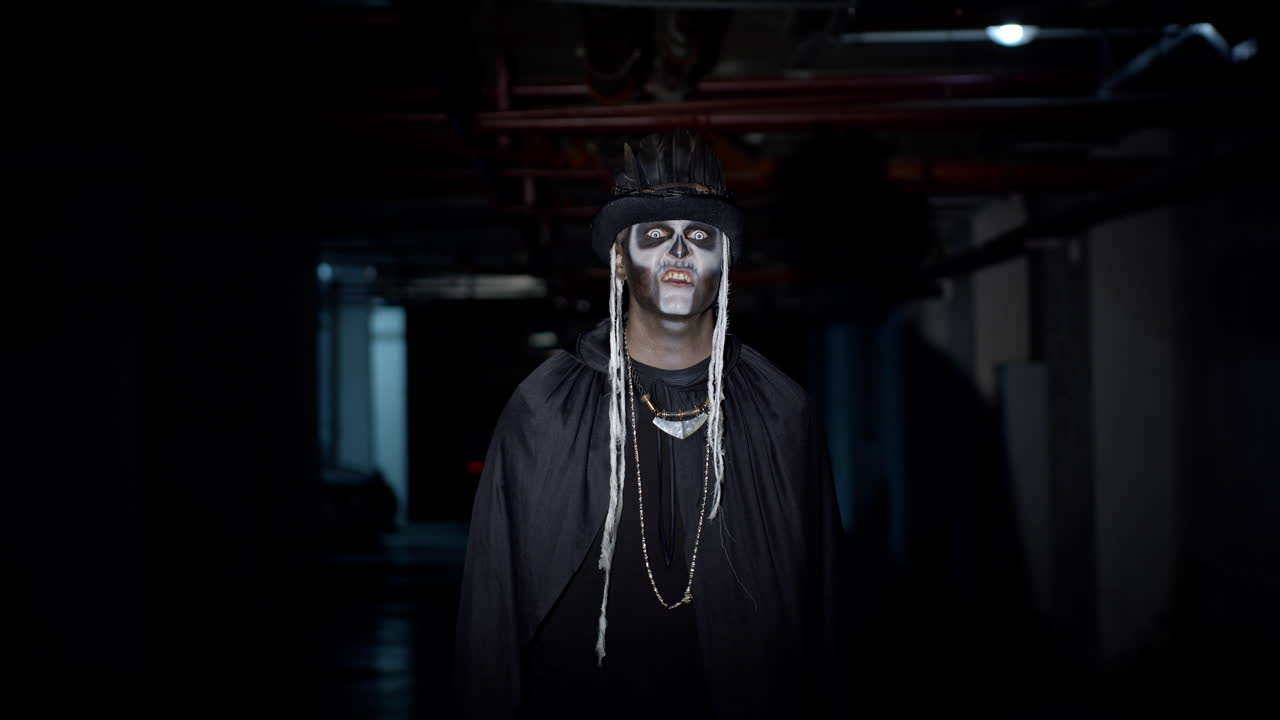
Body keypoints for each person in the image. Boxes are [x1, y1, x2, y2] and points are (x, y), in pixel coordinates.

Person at [452, 129, 845, 719]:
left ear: (726, 259)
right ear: (618, 257)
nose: (680, 253)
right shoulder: (547, 405)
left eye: (701, 237)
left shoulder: (780, 409)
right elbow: (492, 600)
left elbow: (822, 610)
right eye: (656, 236)